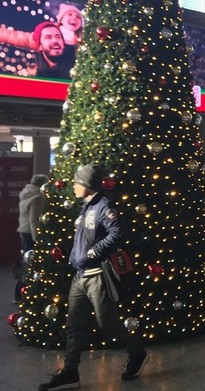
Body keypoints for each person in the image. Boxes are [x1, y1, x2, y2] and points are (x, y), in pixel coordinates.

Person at [39, 164, 148, 391]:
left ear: (87, 185)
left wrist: (93, 252)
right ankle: (70, 371)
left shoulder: (103, 207)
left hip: (97, 275)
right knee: (74, 324)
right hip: (80, 276)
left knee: (106, 323)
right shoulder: (86, 206)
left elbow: (117, 233)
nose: (74, 187)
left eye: (77, 183)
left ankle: (136, 353)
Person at [15, 174, 49, 303]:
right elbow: (34, 221)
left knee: (26, 264)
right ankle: (22, 293)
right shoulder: (38, 198)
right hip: (31, 234)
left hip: (24, 233)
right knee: (30, 266)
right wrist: (38, 240)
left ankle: (19, 294)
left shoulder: (26, 194)